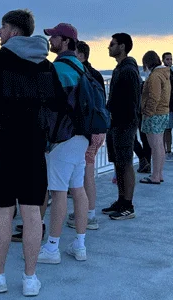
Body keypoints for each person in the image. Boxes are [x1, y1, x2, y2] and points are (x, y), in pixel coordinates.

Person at [0, 9, 62, 297]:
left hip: (2, 147)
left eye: (2, 28)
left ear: (13, 31)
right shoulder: (46, 65)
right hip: (34, 147)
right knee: (32, 211)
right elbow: (57, 104)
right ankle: (30, 279)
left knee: (3, 213)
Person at [37, 23, 90, 264]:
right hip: (81, 137)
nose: (51, 41)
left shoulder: (58, 68)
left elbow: (47, 107)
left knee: (58, 193)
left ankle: (51, 248)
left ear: (65, 41)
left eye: (54, 37)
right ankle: (80, 245)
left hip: (62, 139)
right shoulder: (80, 66)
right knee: (77, 190)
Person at [102, 33, 142, 220]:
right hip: (116, 123)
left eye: (112, 44)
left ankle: (128, 205)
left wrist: (120, 118)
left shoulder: (128, 71)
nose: (109, 47)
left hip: (124, 123)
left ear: (123, 47)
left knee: (125, 162)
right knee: (118, 162)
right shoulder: (121, 69)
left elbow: (131, 101)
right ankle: (121, 199)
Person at [67, 40, 106, 231]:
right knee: (86, 172)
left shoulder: (82, 74)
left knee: (85, 175)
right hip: (99, 129)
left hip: (88, 132)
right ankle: (86, 212)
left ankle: (89, 215)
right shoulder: (96, 75)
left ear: (81, 55)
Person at [139, 51, 170, 184]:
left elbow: (154, 96)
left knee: (155, 145)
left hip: (155, 114)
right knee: (160, 145)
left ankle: (155, 176)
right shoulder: (164, 74)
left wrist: (147, 112)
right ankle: (159, 174)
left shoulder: (155, 76)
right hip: (163, 112)